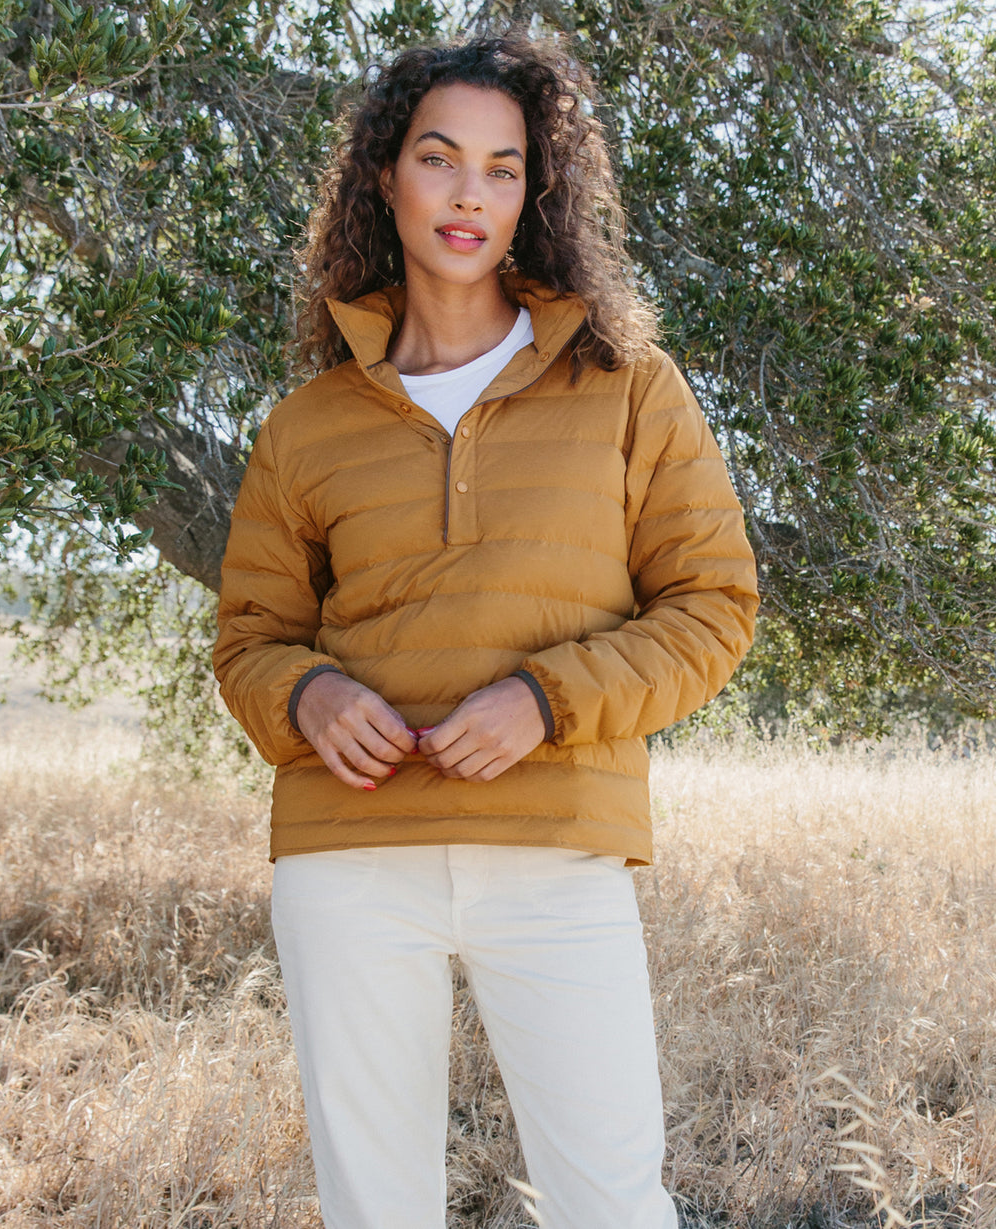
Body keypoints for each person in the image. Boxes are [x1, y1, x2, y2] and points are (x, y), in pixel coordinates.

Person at [213, 31, 758, 1229]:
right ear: (384, 176)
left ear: (534, 195)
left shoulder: (629, 386)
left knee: (611, 1203)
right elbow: (250, 634)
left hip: (556, 841)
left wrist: (545, 700)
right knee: (377, 1208)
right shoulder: (308, 423)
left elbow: (713, 604)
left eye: (502, 168)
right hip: (349, 855)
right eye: (439, 158)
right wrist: (308, 696)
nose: (469, 194)